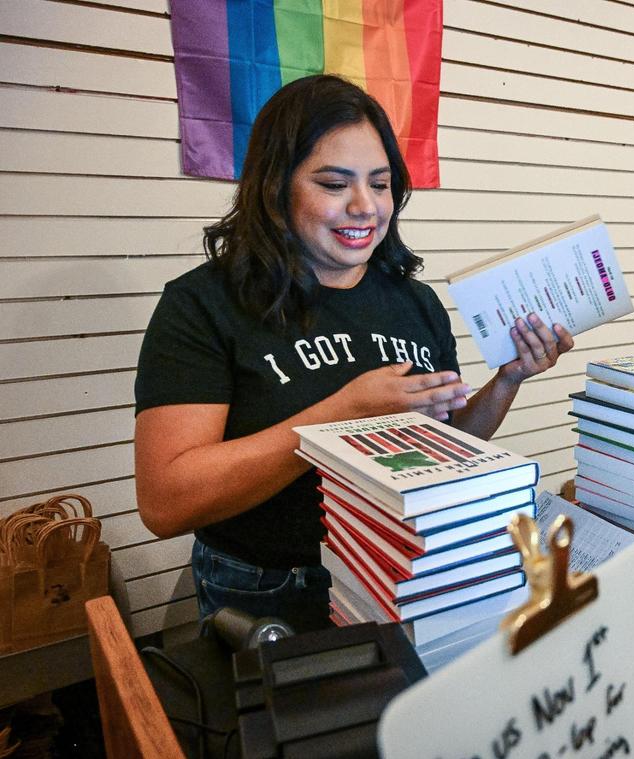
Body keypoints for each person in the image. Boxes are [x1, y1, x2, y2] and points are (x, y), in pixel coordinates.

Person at [133, 75, 573, 632]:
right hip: (268, 588)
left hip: (400, 568)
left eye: (381, 183)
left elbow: (451, 440)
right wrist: (341, 415)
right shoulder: (203, 305)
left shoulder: (415, 302)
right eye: (334, 183)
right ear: (276, 187)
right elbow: (166, 501)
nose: (365, 207)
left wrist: (508, 380)